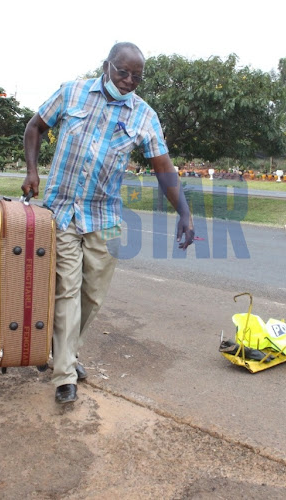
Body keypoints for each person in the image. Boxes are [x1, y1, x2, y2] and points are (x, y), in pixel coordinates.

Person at [22, 42, 194, 404]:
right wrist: (33, 171)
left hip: (107, 215)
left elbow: (163, 167)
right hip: (62, 210)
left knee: (93, 295)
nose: (129, 80)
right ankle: (65, 374)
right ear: (107, 65)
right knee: (66, 290)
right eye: (122, 72)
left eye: (136, 76)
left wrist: (185, 212)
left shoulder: (144, 115)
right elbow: (34, 127)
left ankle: (63, 350)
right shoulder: (73, 92)